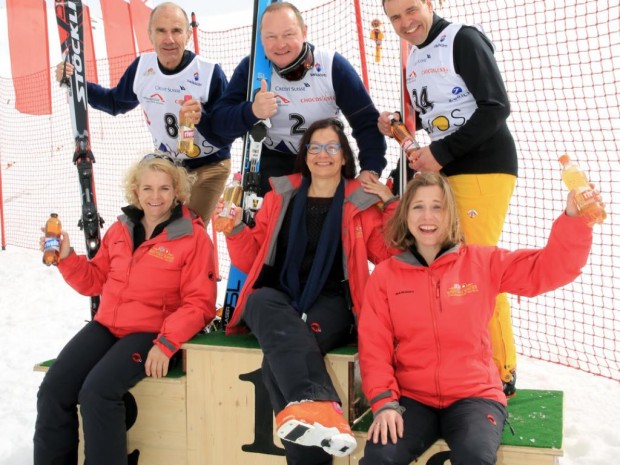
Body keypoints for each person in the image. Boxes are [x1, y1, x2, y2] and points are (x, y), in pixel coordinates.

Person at [358, 173, 595, 465]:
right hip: (413, 397)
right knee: (380, 457)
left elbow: (548, 269)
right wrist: (384, 403)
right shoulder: (386, 275)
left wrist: (573, 218)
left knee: (474, 457)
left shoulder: (482, 262)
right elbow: (374, 346)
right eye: (418, 206)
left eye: (438, 206)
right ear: (405, 214)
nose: (427, 216)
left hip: (474, 396)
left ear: (451, 214)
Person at [220, 118, 397, 464]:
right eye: (315, 147)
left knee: (276, 364)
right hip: (281, 295)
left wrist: (390, 205)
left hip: (333, 302)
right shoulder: (281, 194)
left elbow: (390, 255)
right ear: (305, 155)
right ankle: (321, 405)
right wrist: (235, 229)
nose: (323, 154)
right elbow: (252, 255)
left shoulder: (359, 202)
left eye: (332, 147)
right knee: (258, 298)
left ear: (345, 157)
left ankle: (316, 410)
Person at [33, 154, 217, 465]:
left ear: (177, 193)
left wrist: (167, 343)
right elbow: (94, 281)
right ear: (135, 190)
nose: (154, 197)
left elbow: (200, 302)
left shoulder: (192, 237)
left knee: (97, 393)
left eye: (163, 189)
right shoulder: (120, 229)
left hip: (150, 332)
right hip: (107, 326)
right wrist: (66, 257)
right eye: (147, 188)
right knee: (53, 389)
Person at [378, 0, 520, 395]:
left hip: (484, 167)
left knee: (478, 265)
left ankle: (501, 371)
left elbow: (496, 108)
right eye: (395, 18)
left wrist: (441, 153)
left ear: (429, 4)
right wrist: (398, 128)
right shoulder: (416, 58)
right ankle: (468, 362)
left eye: (411, 10)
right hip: (449, 171)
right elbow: (435, 121)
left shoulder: (463, 39)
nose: (405, 23)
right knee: (452, 267)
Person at [55, 2, 231, 224]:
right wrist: (76, 83)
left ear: (187, 35)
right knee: (153, 227)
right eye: (161, 30)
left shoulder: (208, 72)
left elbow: (226, 134)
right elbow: (115, 102)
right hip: (169, 164)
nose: (169, 39)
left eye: (176, 30)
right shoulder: (142, 68)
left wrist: (202, 119)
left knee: (188, 231)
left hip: (208, 165)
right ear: (150, 35)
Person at [211, 2, 387, 197]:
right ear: (261, 39)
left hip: (325, 158)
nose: (280, 44)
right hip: (275, 160)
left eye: (288, 34)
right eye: (271, 37)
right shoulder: (252, 69)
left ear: (304, 32)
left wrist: (370, 169)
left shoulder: (331, 66)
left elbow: (366, 121)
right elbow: (219, 124)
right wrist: (251, 111)